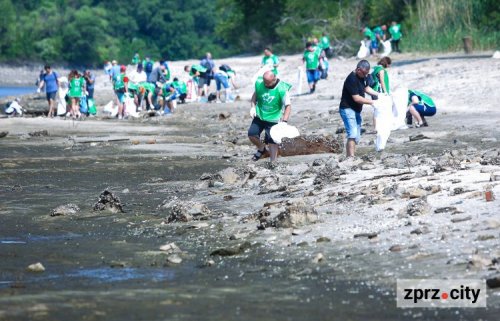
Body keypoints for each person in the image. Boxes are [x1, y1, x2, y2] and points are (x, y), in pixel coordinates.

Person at [248, 70, 292, 163]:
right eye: (264, 82)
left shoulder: (282, 89)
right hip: (260, 115)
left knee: (272, 141)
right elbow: (255, 96)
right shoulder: (260, 83)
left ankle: (273, 162)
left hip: (273, 118)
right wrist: (252, 107)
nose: (265, 85)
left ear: (274, 79)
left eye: (267, 83)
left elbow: (288, 106)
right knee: (252, 134)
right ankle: (262, 148)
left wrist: (284, 121)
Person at [339, 60, 380, 157]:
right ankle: (351, 158)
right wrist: (373, 102)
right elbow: (356, 98)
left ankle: (348, 156)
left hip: (356, 110)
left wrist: (379, 94)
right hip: (347, 109)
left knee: (356, 137)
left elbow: (366, 88)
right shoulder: (351, 79)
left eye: (367, 73)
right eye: (364, 73)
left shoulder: (362, 76)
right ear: (358, 70)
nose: (366, 76)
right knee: (352, 134)